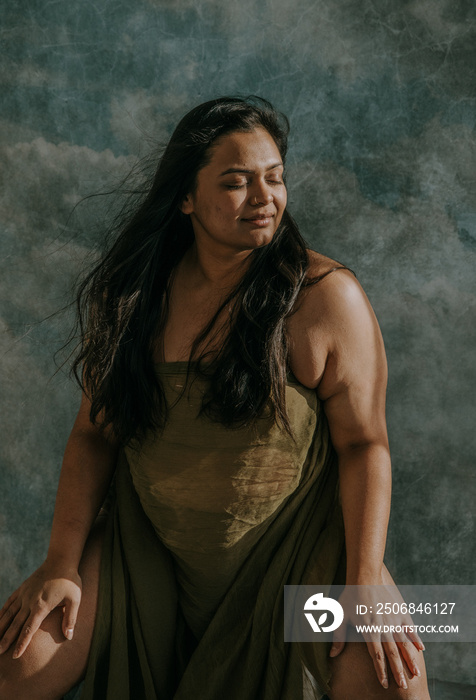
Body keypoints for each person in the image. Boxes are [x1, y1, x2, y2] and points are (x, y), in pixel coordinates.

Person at [0, 96, 431, 700]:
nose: (264, 198)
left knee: (398, 684)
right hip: (146, 553)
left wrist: (363, 575)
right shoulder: (133, 300)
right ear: (185, 198)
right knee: (15, 665)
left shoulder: (326, 299)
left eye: (275, 178)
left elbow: (364, 443)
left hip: (293, 561)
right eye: (236, 182)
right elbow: (94, 434)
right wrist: (60, 563)